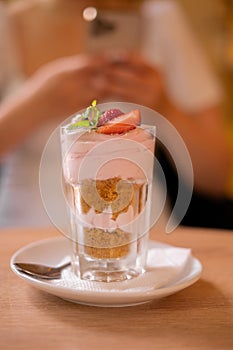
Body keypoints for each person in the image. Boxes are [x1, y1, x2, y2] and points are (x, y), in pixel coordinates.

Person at [1, 0, 232, 229]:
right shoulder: (7, 21)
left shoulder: (158, 16)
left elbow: (216, 176)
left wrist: (164, 107)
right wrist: (36, 104)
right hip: (24, 235)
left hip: (141, 237)